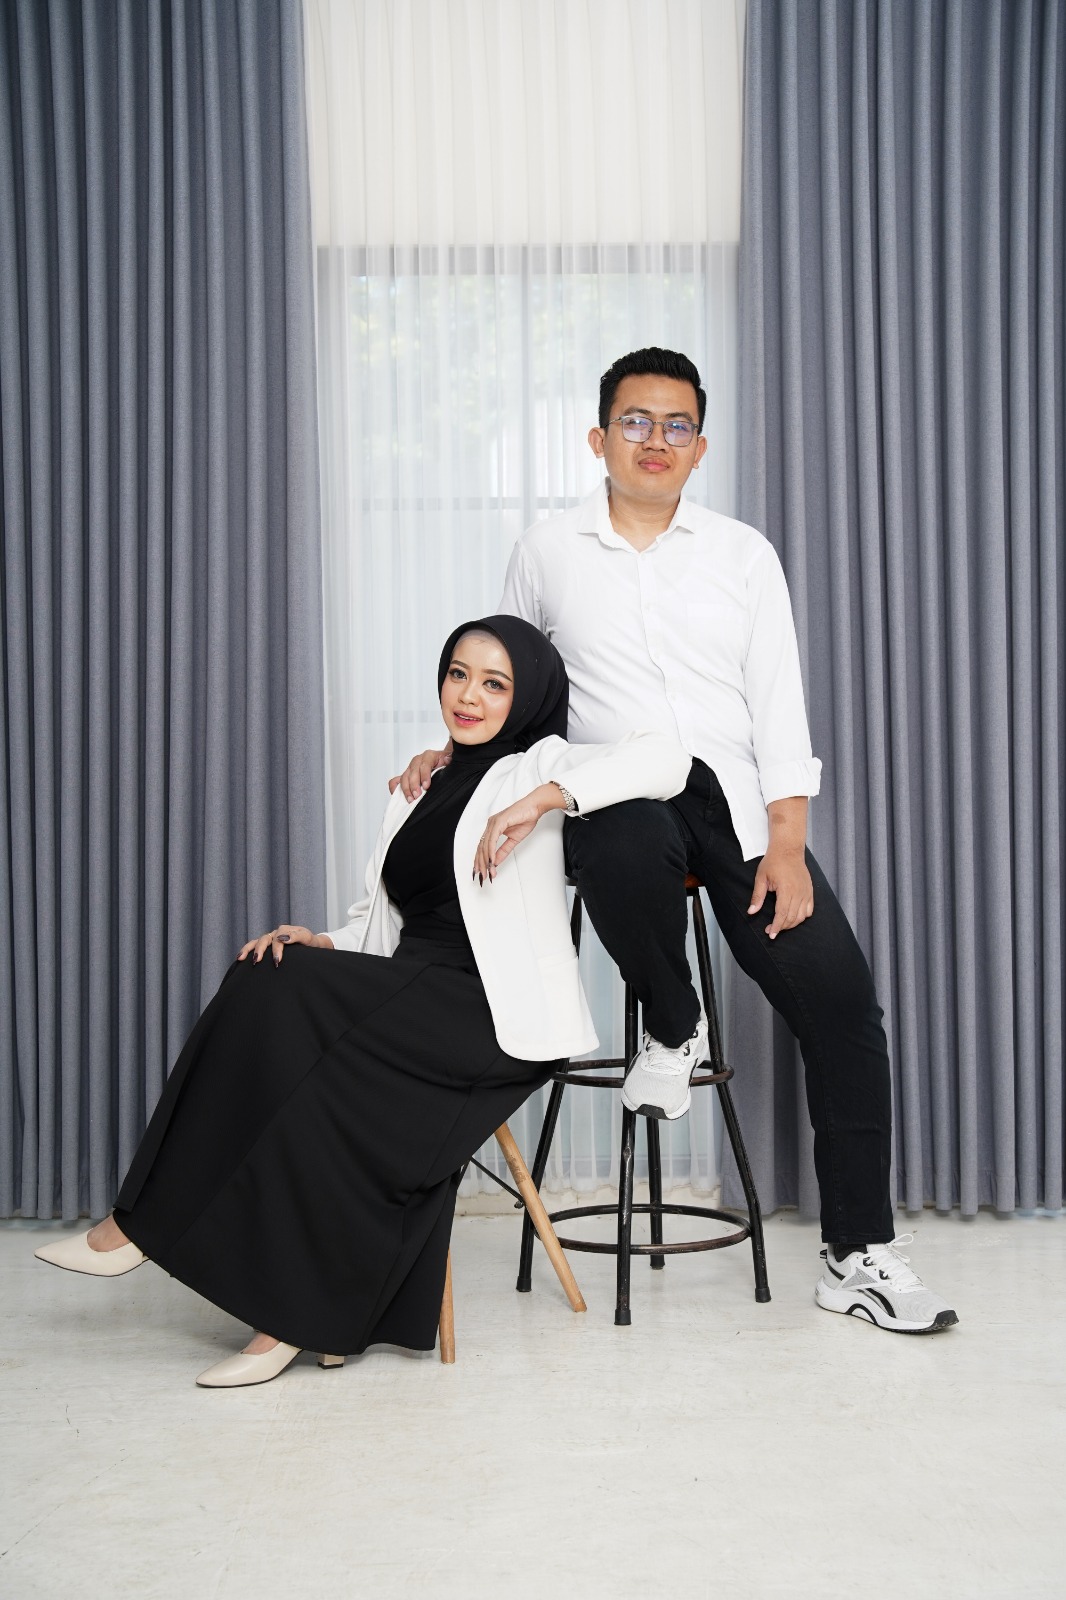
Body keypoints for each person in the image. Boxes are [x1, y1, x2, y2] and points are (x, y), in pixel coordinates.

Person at [395, 350, 958, 1335]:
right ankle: (671, 1020)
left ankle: (857, 1252)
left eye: (676, 425)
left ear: (699, 445)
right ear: (598, 437)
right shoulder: (546, 551)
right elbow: (512, 685)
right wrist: (450, 752)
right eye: (635, 421)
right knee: (620, 832)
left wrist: (787, 843)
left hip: (733, 811)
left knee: (842, 1007)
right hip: (618, 808)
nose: (655, 440)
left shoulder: (742, 554)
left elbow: (777, 705)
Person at [34, 615, 692, 1385]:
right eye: (458, 674)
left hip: (488, 1012)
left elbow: (669, 757)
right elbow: (384, 923)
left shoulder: (539, 764)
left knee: (298, 1035)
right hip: (409, 989)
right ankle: (182, 1249)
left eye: (494, 683)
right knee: (268, 970)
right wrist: (324, 940)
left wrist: (543, 800)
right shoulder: (419, 786)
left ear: (527, 697)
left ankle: (172, 1247)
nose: (468, 696)